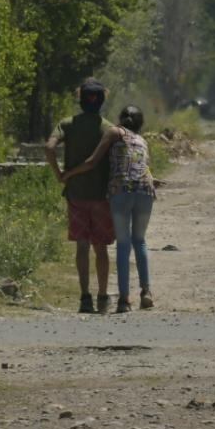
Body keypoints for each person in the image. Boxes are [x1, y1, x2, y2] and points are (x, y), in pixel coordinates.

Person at [63, 105, 156, 313]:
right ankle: (146, 292)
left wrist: (69, 174)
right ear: (140, 123)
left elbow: (92, 161)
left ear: (121, 119)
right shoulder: (142, 140)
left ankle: (124, 300)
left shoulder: (114, 132)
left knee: (123, 244)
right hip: (145, 190)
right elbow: (140, 167)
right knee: (139, 241)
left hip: (121, 190)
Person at [46, 78, 115, 313]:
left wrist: (60, 174)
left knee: (82, 246)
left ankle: (85, 297)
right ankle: (103, 297)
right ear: (102, 99)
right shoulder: (108, 128)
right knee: (101, 248)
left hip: (76, 194)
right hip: (101, 195)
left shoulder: (67, 124)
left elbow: (49, 147)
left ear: (80, 98)